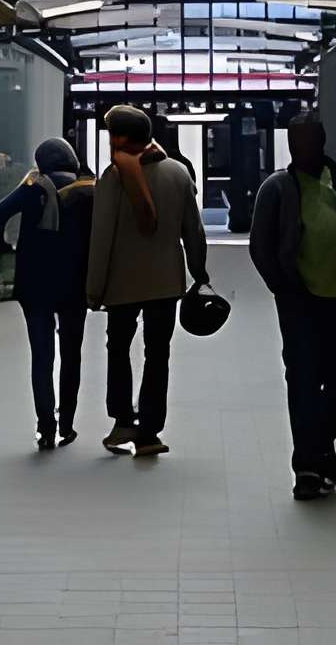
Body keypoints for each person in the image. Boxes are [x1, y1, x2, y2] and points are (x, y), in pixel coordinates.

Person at [249, 113, 336, 498]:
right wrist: (283, 289)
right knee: (304, 379)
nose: (298, 147)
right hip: (299, 302)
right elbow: (260, 247)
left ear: (321, 141)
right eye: (293, 140)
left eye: (305, 140)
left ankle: (318, 441)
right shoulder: (276, 189)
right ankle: (307, 465)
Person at [82, 103, 206, 457]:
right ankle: (149, 431)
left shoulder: (113, 177)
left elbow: (101, 237)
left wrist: (94, 289)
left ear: (120, 138)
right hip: (166, 283)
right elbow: (193, 232)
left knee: (118, 349)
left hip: (122, 285)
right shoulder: (179, 173)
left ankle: (122, 421)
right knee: (158, 353)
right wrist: (198, 270)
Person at [0, 139, 94, 448]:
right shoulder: (88, 190)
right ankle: (68, 425)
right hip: (76, 282)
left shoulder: (34, 187)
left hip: (35, 283)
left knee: (42, 356)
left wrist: (2, 246)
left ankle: (46, 426)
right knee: (72, 353)